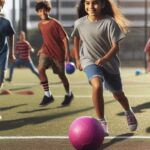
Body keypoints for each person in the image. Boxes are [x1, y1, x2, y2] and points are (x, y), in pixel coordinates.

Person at [71, 0, 138, 136]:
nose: (91, 6)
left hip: (109, 63)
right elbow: (76, 39)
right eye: (88, 3)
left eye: (95, 3)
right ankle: (102, 121)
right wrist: (78, 59)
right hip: (89, 60)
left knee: (118, 94)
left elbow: (116, 47)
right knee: (97, 85)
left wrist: (105, 58)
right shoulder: (79, 23)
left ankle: (128, 111)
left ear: (102, 5)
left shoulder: (109, 22)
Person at [35, 1, 74, 106]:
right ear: (37, 13)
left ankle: (69, 94)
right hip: (46, 51)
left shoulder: (55, 23)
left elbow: (65, 39)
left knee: (61, 76)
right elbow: (46, 39)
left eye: (44, 9)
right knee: (40, 69)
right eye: (40, 10)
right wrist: (41, 48)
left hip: (58, 54)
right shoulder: (39, 25)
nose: (42, 12)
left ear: (48, 10)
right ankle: (48, 95)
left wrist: (67, 53)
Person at [0, 0, 15, 119]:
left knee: (0, 79)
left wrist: (11, 53)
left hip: (3, 54)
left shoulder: (6, 23)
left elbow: (11, 35)